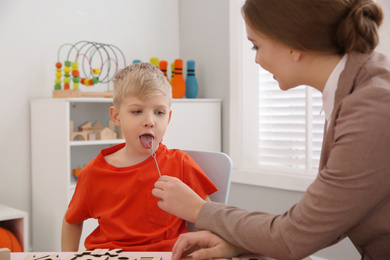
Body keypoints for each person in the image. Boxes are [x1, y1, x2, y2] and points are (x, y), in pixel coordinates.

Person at [152, 0, 390, 259]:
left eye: (257, 45)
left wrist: (200, 210)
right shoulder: (355, 88)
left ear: (294, 43)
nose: (256, 59)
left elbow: (294, 235)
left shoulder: (372, 108)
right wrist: (244, 243)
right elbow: (332, 219)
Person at [61, 62, 218, 252]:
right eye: (137, 111)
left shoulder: (180, 164)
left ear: (168, 118)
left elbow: (209, 216)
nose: (149, 122)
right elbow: (71, 221)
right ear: (117, 117)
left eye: (159, 112)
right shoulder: (93, 172)